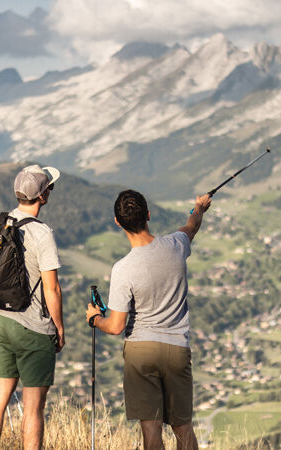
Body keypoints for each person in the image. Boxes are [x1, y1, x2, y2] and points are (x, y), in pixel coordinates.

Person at [86, 189, 211, 450]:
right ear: (149, 215)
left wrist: (95, 319)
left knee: (151, 429)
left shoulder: (123, 268)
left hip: (141, 351)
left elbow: (116, 326)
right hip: (177, 347)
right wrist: (198, 207)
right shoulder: (176, 245)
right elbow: (192, 225)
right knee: (183, 427)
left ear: (118, 223)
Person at [0, 164, 65, 450]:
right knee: (33, 408)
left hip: (2, 320)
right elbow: (51, 289)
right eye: (49, 188)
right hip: (33, 328)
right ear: (42, 196)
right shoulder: (43, 234)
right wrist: (59, 327)